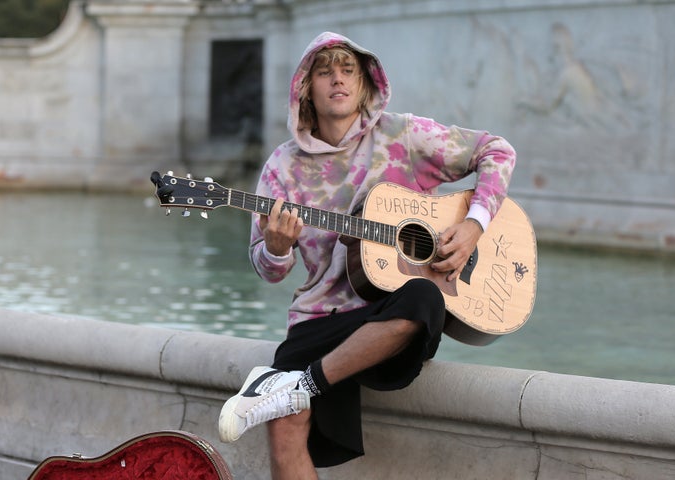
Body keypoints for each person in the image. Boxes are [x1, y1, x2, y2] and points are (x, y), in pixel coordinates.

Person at [217, 31, 516, 479]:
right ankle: (296, 393)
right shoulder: (282, 167)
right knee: (284, 426)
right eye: (325, 71)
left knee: (424, 297)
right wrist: (278, 249)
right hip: (321, 321)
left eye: (348, 70)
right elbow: (266, 267)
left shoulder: (404, 136)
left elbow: (498, 151)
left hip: (391, 322)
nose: (337, 79)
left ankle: (300, 386)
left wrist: (473, 225)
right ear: (306, 88)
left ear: (364, 83)